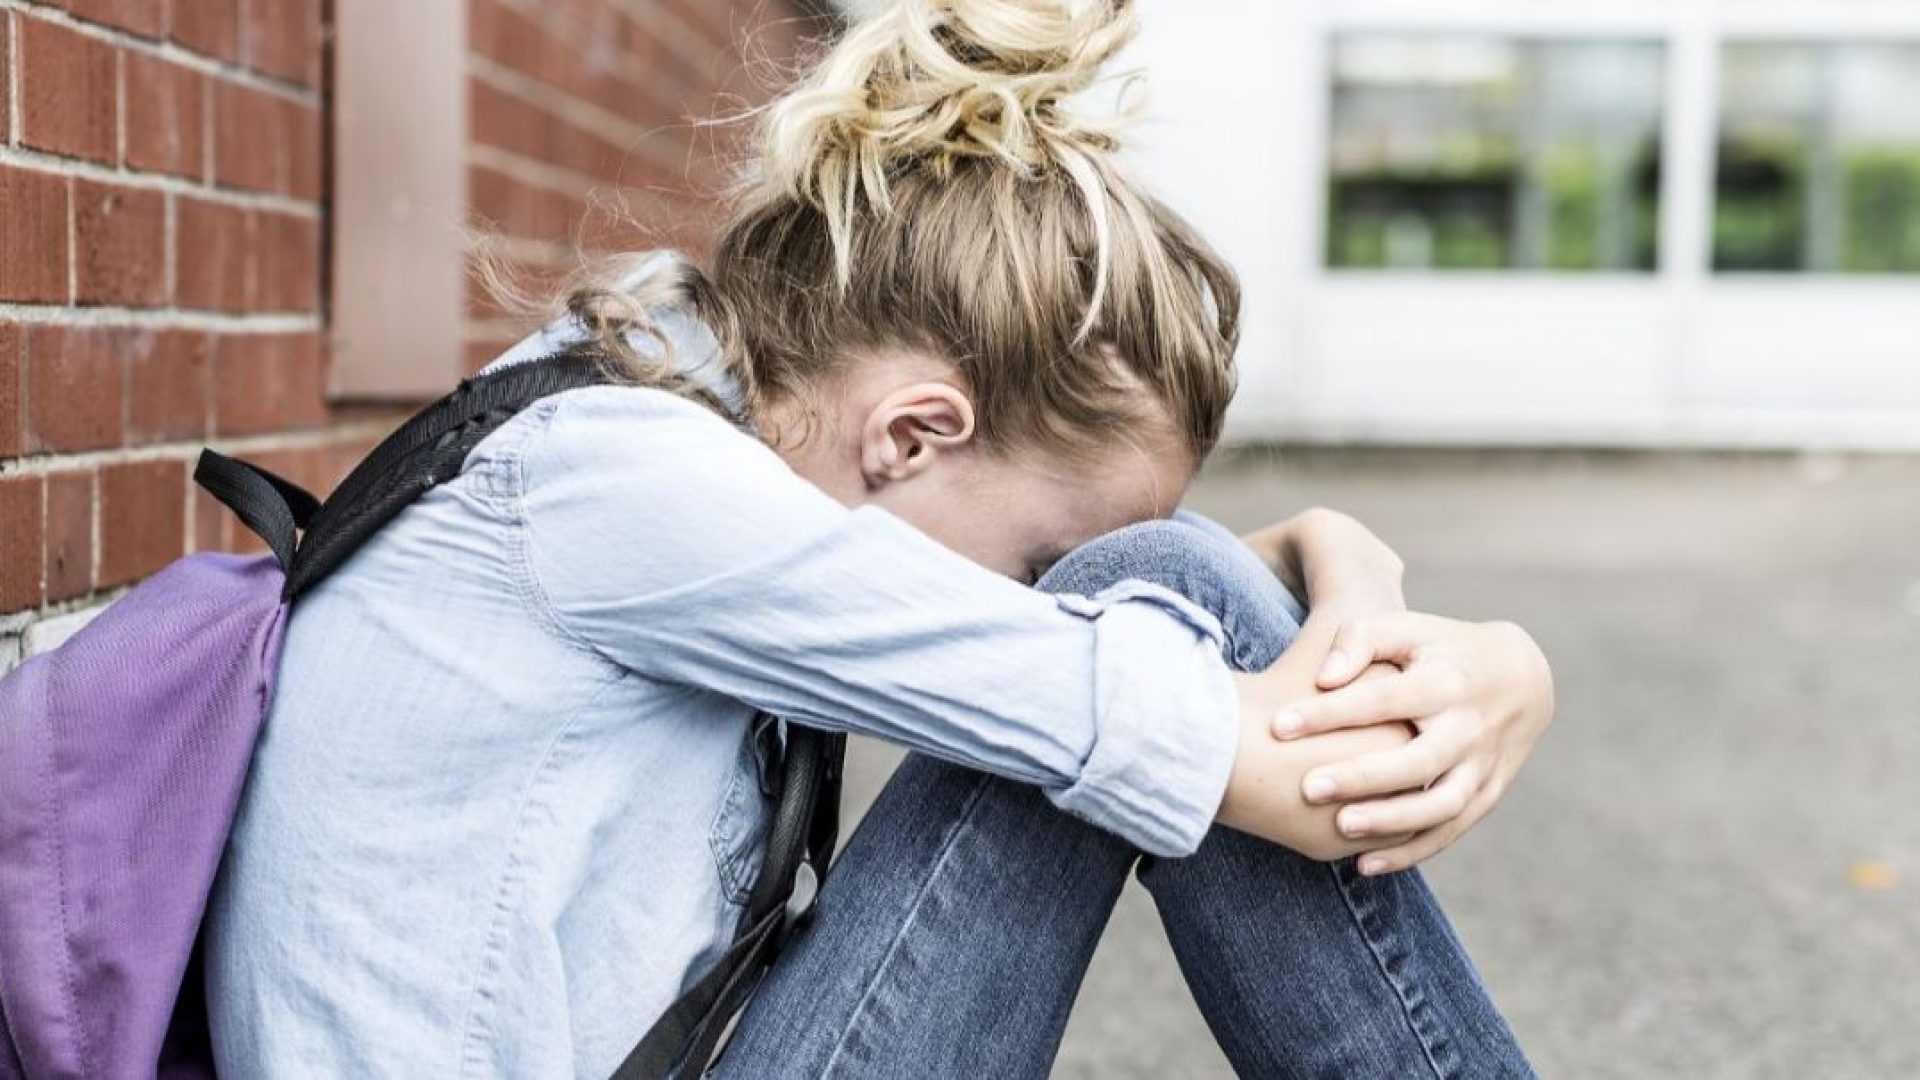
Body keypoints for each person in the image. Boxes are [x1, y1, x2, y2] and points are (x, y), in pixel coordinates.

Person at [204, 0, 1553, 1075]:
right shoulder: (628, 488)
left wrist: (1348, 557)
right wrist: (1489, 668)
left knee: (1160, 600)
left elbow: (1187, 634)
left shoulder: (637, 420)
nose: (1046, 603)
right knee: (1150, 625)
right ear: (910, 434)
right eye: (1040, 568)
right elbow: (1217, 737)